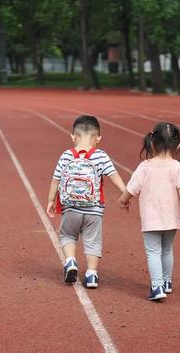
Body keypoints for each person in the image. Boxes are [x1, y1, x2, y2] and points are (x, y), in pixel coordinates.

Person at [47, 115, 127, 288]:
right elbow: (114, 176)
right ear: (98, 138)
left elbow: (56, 179)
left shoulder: (66, 155)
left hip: (70, 208)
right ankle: (91, 274)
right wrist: (126, 194)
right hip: (94, 210)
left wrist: (51, 200)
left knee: (68, 235)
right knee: (92, 241)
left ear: (73, 136)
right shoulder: (101, 156)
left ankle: (70, 261)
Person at [118, 122, 180, 301]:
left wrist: (122, 200)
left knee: (153, 252)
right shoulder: (179, 168)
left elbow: (131, 189)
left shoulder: (145, 167)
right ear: (179, 144)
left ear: (152, 142)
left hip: (151, 219)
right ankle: (166, 281)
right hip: (171, 219)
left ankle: (157, 286)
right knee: (167, 249)